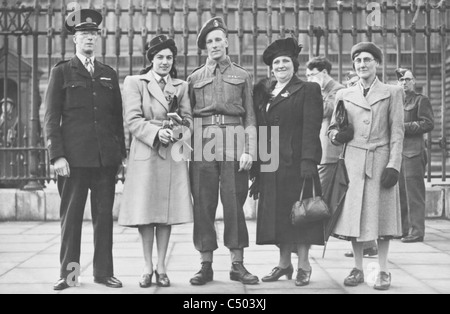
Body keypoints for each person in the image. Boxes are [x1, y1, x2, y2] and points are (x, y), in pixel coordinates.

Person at [44, 9, 126, 291]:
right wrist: (57, 156)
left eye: (93, 34)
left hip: (104, 161)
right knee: (72, 221)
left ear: (97, 38)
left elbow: (117, 119)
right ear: (75, 39)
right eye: (83, 34)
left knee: (104, 220)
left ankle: (103, 273)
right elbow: (51, 118)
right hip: (73, 162)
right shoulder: (62, 72)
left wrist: (120, 156)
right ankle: (70, 275)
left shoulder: (108, 74)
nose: (89, 38)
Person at [187, 17, 258, 286]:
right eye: (209, 41)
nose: (214, 45)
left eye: (218, 39)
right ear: (205, 47)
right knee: (203, 204)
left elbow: (250, 117)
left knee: (233, 203)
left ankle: (237, 264)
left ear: (227, 42)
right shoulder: (194, 77)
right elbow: (187, 117)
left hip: (234, 141)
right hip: (203, 144)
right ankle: (205, 264)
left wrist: (249, 149)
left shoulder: (242, 75)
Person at [118, 35, 194, 288]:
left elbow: (188, 119)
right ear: (151, 59)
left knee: (165, 212)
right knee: (145, 211)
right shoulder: (134, 82)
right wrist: (155, 133)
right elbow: (132, 119)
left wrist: (179, 130)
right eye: (159, 57)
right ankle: (147, 267)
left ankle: (162, 267)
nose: (164, 62)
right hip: (146, 151)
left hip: (171, 153)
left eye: (169, 58)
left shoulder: (181, 86)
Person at [328, 42, 405, 290]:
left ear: (377, 64)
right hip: (352, 161)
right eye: (358, 60)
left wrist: (394, 165)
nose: (362, 64)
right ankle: (358, 268)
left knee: (382, 219)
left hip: (380, 160)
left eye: (368, 60)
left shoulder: (392, 92)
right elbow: (332, 127)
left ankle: (383, 271)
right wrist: (336, 136)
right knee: (354, 218)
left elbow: (397, 132)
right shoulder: (344, 94)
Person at [254, 37, 324, 287]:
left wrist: (308, 160)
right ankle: (284, 264)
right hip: (271, 165)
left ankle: (304, 265)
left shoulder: (307, 90)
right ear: (271, 68)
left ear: (294, 65)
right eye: (276, 62)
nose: (281, 65)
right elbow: (261, 129)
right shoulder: (265, 92)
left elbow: (311, 127)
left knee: (300, 215)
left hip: (297, 165)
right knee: (278, 216)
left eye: (285, 61)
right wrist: (257, 168)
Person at [342, 71, 379, 258]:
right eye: (348, 83)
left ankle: (369, 244)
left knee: (366, 203)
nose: (351, 86)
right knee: (354, 202)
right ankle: (359, 243)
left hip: (371, 154)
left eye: (354, 82)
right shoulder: (346, 98)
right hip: (349, 155)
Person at [396, 68, 434, 243]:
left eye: (407, 79)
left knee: (414, 194)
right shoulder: (397, 101)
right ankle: (404, 230)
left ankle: (417, 231)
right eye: (401, 80)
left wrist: (404, 127)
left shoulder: (421, 100)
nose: (404, 83)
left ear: (414, 81)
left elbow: (428, 124)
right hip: (399, 153)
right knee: (401, 194)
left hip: (414, 152)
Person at [305, 57, 344, 199]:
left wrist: (315, 91)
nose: (309, 79)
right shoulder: (321, 91)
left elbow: (325, 110)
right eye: (307, 76)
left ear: (325, 72)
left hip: (329, 154)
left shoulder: (338, 90)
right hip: (318, 152)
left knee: (321, 197)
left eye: (312, 75)